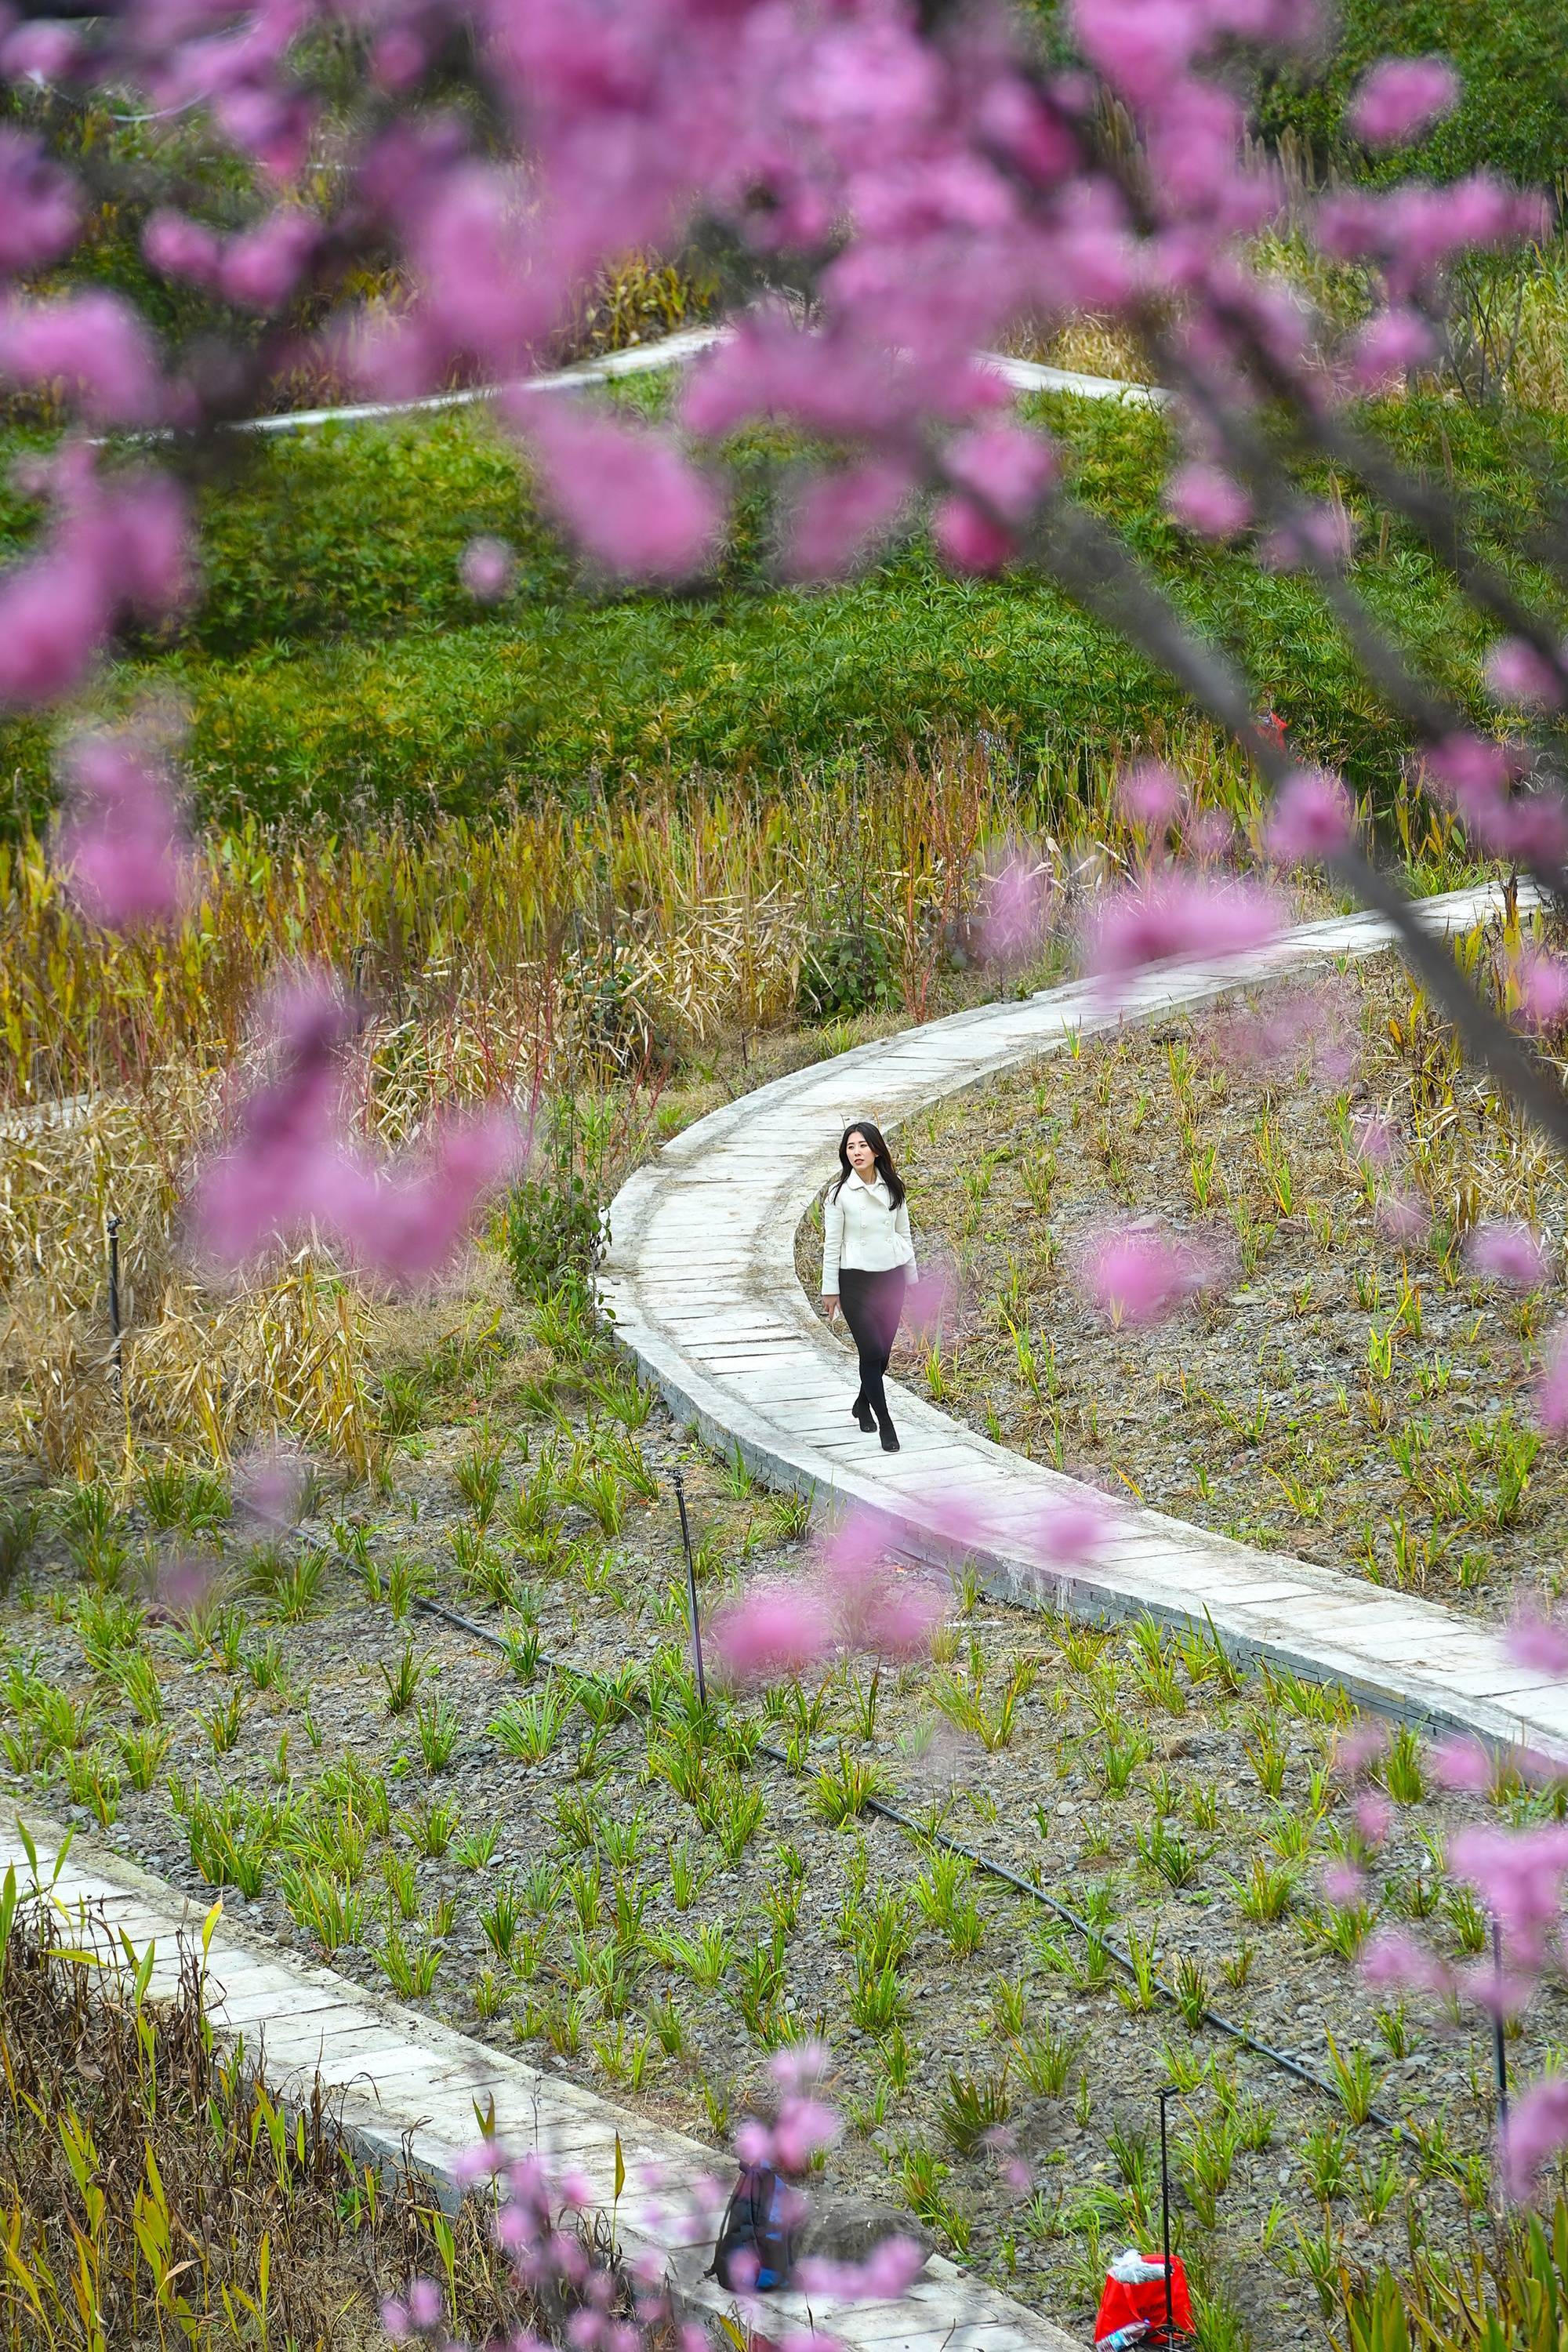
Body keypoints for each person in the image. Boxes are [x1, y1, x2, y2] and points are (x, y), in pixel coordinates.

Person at [820, 1120, 916, 1454]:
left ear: (876, 1149)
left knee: (884, 1355)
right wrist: (830, 1289)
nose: (856, 1152)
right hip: (855, 1281)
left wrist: (912, 1278)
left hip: (891, 1278)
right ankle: (886, 1424)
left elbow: (904, 1234)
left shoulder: (893, 1187)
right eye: (850, 1147)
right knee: (871, 1351)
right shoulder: (838, 1195)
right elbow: (831, 1245)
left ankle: (863, 1403)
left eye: (862, 1145)